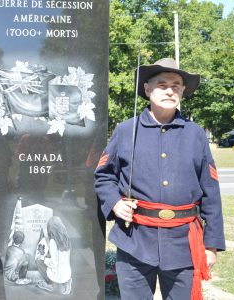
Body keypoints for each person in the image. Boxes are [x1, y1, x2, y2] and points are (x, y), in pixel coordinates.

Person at [94, 58, 225, 299]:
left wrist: (212, 245)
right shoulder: (125, 131)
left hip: (182, 246)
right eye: (162, 84)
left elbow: (211, 192)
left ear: (182, 92)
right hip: (135, 241)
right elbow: (104, 176)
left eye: (176, 85)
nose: (169, 90)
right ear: (147, 89)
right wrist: (114, 201)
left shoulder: (195, 135)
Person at [36, 216, 72, 295]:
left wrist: (45, 259)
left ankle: (50, 284)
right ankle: (66, 282)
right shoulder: (66, 239)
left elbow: (54, 263)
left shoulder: (53, 241)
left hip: (57, 275)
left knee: (39, 261)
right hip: (67, 273)